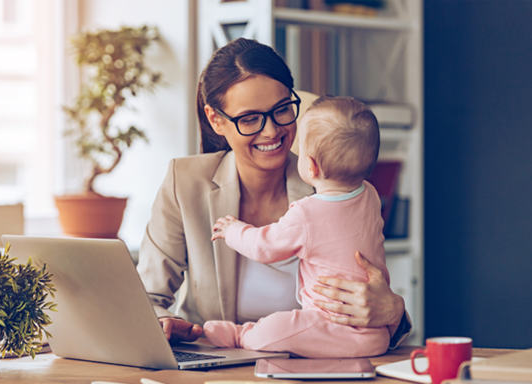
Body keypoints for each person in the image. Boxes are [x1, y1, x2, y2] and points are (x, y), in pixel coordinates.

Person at [136, 37, 410, 347]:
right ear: (216, 120)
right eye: (250, 119)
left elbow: (371, 286)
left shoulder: (334, 185)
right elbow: (146, 297)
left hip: (310, 365)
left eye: (281, 110)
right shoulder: (184, 182)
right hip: (215, 364)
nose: (271, 131)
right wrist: (163, 322)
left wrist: (394, 311)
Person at [203, 96, 389, 358]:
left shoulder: (307, 213)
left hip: (329, 324)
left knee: (277, 327)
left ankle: (241, 334)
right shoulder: (370, 195)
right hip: (375, 335)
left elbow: (264, 247)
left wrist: (232, 230)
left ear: (310, 166)